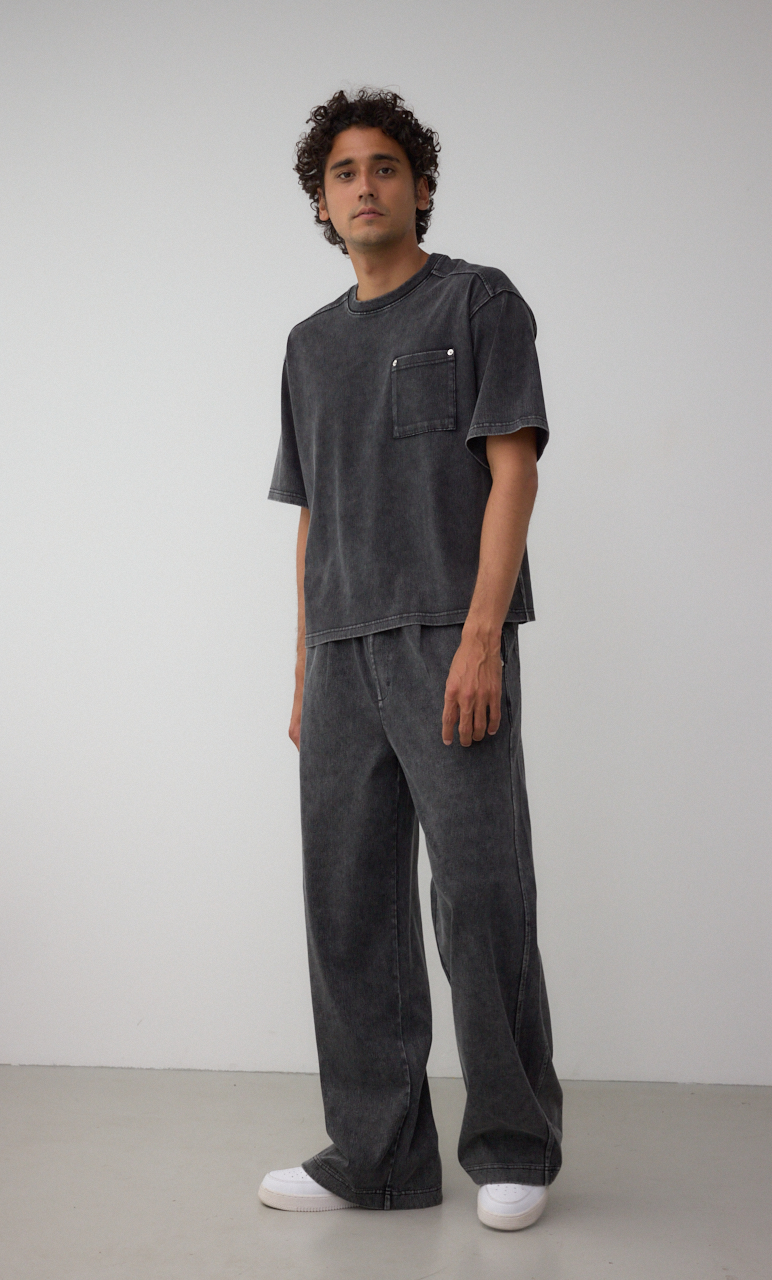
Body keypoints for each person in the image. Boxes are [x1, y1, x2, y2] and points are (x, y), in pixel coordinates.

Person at [258, 87, 562, 1232]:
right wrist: (303, 666)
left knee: (479, 895)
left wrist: (482, 636)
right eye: (343, 172)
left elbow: (514, 469)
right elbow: (310, 515)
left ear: (420, 186)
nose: (365, 185)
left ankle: (514, 1144)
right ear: (320, 203)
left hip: (449, 633)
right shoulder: (307, 346)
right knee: (348, 906)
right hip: (339, 649)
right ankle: (376, 1155)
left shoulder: (478, 302)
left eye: (384, 166)